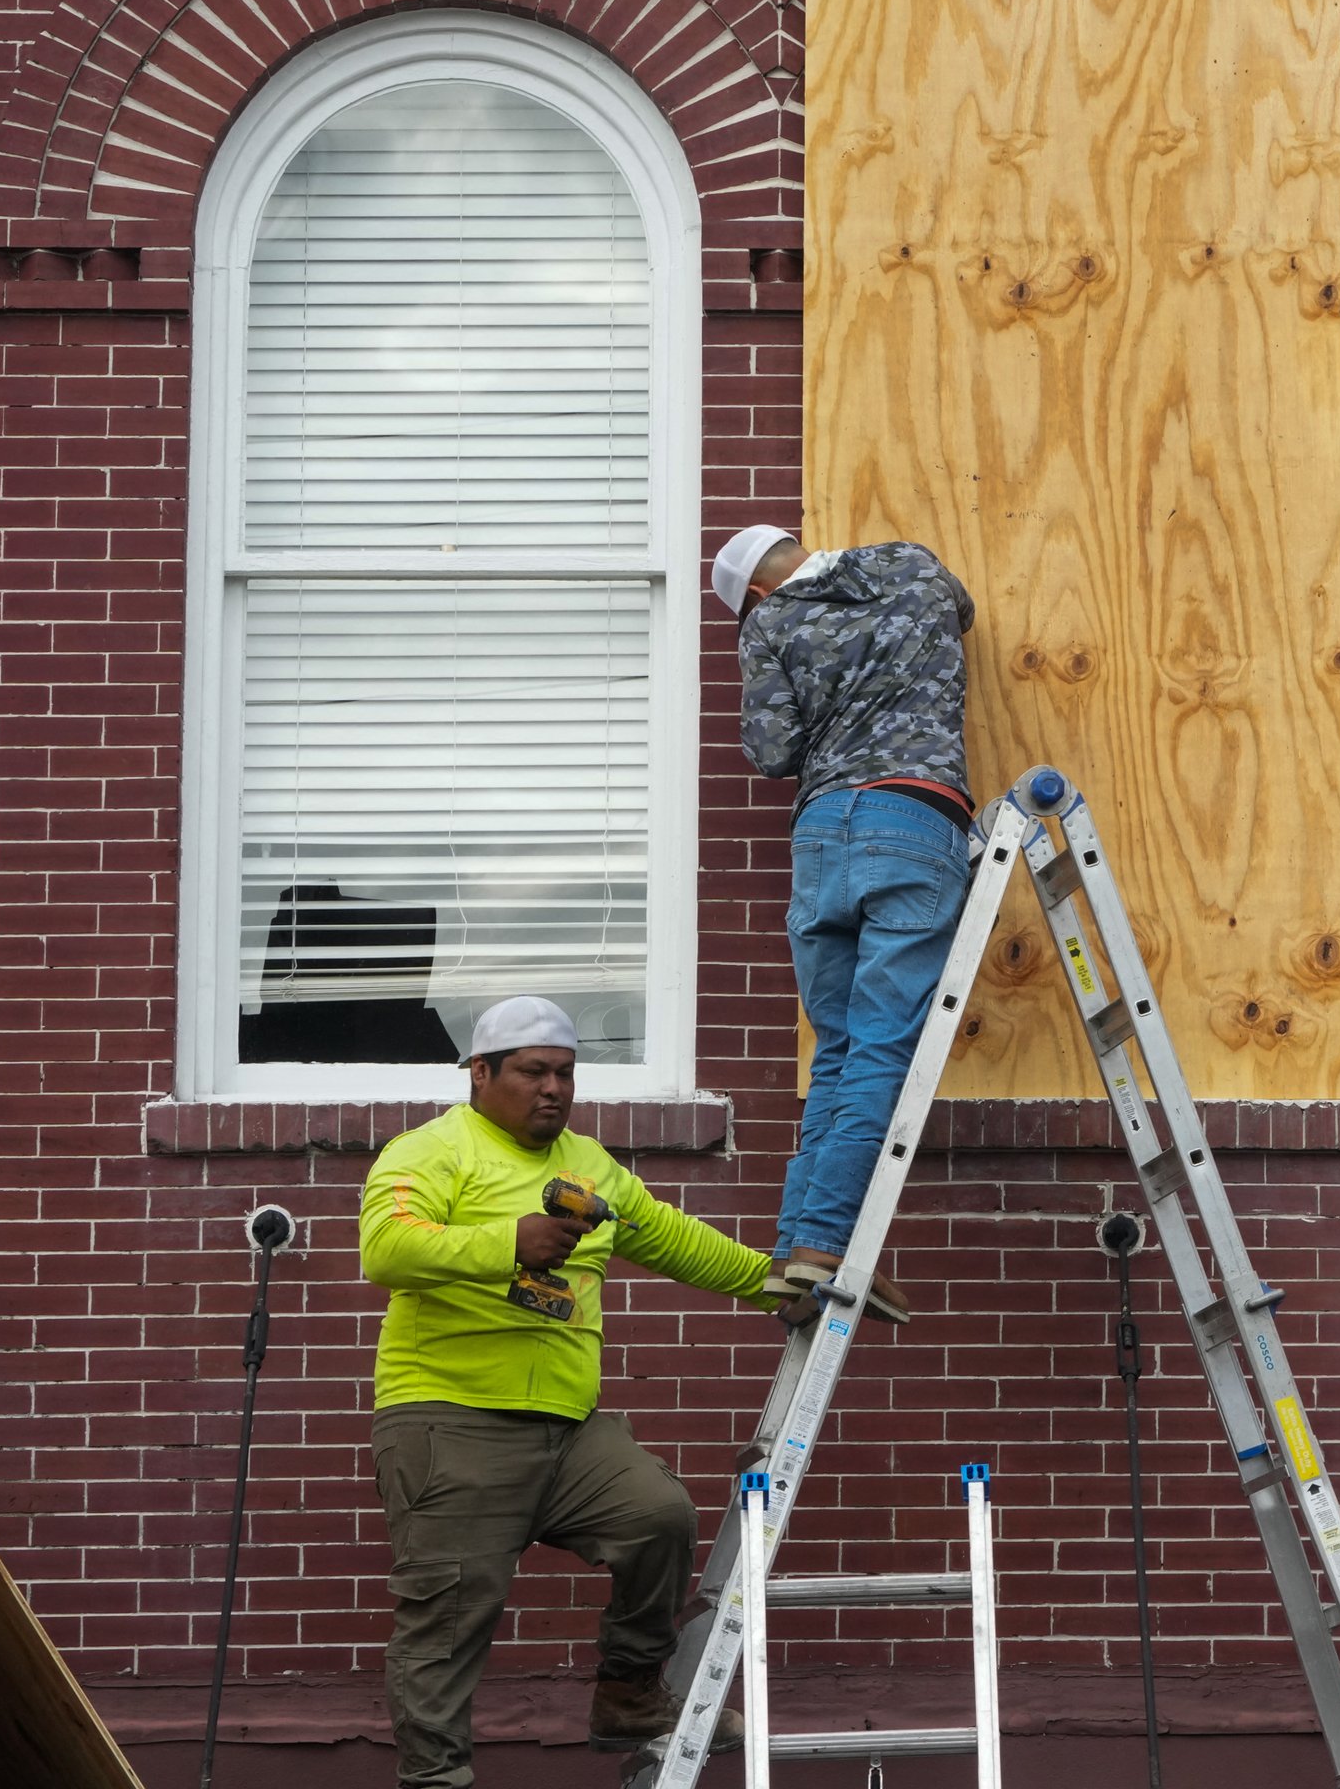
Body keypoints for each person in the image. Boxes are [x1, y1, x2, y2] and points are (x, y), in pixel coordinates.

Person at [359, 994, 782, 1785]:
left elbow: (670, 1237)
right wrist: (506, 1241)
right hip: (451, 1424)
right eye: (532, 1072)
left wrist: (778, 1286)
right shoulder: (430, 1153)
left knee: (658, 1515)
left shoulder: (588, 1166)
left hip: (568, 1431)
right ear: (479, 1074)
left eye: (565, 1073)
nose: (553, 1088)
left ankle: (627, 1692)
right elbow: (386, 1249)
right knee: (444, 1632)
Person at [712, 523, 977, 1325]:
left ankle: (800, 1243)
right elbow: (960, 613)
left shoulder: (769, 624)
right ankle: (825, 1239)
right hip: (915, 817)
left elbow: (770, 751)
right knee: (883, 1044)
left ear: (755, 593)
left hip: (825, 832)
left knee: (840, 1050)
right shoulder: (912, 564)